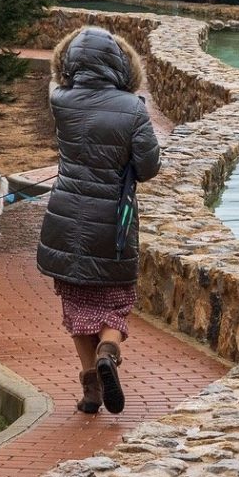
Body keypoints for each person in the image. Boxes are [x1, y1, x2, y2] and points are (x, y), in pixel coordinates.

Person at [36, 26, 160, 414]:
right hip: (113, 226)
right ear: (123, 65)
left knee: (76, 308)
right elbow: (148, 166)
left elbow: (56, 82)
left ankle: (91, 389)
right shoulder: (134, 109)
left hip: (66, 222)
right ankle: (109, 350)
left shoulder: (61, 101)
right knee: (115, 303)